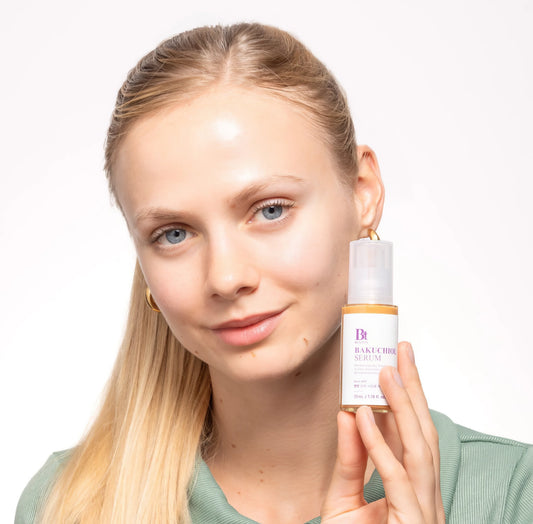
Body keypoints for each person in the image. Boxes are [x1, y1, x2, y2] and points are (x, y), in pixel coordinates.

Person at [15, 22, 533, 524]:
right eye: (173, 234)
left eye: (270, 210)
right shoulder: (68, 506)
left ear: (363, 193)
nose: (225, 277)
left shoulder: (513, 497)